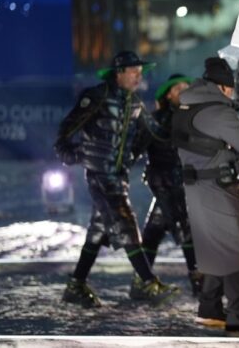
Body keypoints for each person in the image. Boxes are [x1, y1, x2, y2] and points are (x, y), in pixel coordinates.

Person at [54, 51, 179, 308]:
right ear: (119, 73)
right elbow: (68, 127)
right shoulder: (97, 97)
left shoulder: (135, 104)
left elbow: (153, 133)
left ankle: (76, 285)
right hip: (100, 175)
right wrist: (72, 154)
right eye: (134, 72)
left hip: (117, 176)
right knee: (126, 222)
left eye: (140, 73)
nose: (138, 77)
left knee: (98, 230)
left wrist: (178, 130)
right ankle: (147, 282)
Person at [171, 57, 239, 336]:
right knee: (234, 250)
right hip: (218, 187)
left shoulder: (187, 105)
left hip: (196, 187)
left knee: (213, 246)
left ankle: (210, 308)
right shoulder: (218, 112)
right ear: (224, 88)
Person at [134, 74, 203, 297]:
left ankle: (141, 282)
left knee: (153, 232)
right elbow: (138, 147)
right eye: (179, 88)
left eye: (187, 87)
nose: (185, 91)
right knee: (185, 228)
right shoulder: (157, 118)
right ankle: (198, 281)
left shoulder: (191, 116)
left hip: (181, 181)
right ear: (168, 94)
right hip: (166, 183)